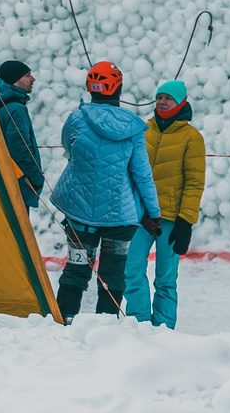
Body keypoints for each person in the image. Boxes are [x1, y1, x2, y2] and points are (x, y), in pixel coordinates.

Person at [49, 62, 159, 321]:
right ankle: (106, 326)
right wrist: (153, 212)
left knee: (76, 269)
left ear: (90, 88)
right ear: (118, 88)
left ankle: (64, 320)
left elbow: (69, 147)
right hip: (119, 216)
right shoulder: (133, 128)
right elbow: (142, 175)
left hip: (78, 212)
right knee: (113, 273)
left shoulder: (76, 119)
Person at [126, 79, 207, 328]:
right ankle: (139, 324)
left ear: (181, 102)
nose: (162, 102)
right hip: (141, 216)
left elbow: (194, 183)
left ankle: (163, 329)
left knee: (165, 278)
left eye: (168, 98)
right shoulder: (142, 131)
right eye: (159, 97)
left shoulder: (191, 137)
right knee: (132, 271)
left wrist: (186, 222)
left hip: (171, 219)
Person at [0, 61, 45, 209]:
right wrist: (36, 178)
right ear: (15, 79)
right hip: (18, 184)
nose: (33, 79)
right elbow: (21, 149)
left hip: (0, 181)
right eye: (27, 75)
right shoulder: (15, 108)